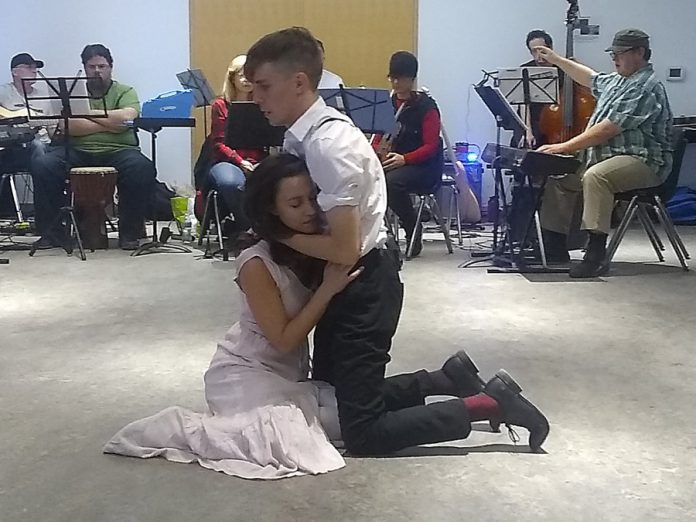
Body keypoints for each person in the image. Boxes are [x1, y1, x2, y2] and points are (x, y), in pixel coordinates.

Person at [104, 154, 546, 478]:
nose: (310, 210)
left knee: (350, 410)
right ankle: (481, 403)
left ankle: (444, 380)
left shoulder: (304, 244)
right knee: (346, 429)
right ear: (272, 211)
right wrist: (330, 289)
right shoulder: (255, 263)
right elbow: (283, 339)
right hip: (246, 378)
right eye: (294, 204)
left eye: (311, 199)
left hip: (286, 374)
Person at [245, 27, 549, 456]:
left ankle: (486, 403)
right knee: (333, 401)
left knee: (362, 433)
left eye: (263, 86)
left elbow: (345, 250)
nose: (256, 97)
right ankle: (447, 378)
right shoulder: (304, 134)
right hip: (349, 277)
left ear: (298, 83)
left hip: (366, 280)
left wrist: (275, 231)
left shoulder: (328, 145)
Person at [535, 29, 673, 277]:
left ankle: (596, 253)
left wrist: (564, 146)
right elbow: (590, 78)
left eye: (620, 53)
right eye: (614, 53)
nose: (614, 58)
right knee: (560, 176)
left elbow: (607, 129)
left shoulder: (645, 86)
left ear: (639, 52)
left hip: (644, 162)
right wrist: (556, 59)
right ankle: (554, 247)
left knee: (597, 176)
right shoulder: (619, 80)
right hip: (610, 157)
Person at [30, 44, 156, 250]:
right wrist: (110, 120)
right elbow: (69, 126)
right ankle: (52, 234)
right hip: (78, 150)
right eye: (91, 67)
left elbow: (126, 118)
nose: (97, 71)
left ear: (110, 67)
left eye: (102, 66)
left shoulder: (126, 91)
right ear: (84, 68)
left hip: (120, 151)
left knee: (141, 168)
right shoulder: (72, 92)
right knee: (43, 165)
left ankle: (130, 233)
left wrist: (86, 114)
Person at [376, 51, 444, 258]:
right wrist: (376, 151)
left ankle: (412, 225)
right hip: (395, 163)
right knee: (370, 178)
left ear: (412, 79)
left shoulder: (427, 107)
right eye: (392, 77)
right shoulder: (387, 104)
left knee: (390, 183)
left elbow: (431, 146)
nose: (395, 82)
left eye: (400, 78)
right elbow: (379, 135)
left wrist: (404, 159)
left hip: (423, 167)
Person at [205, 55, 265, 234]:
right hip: (227, 161)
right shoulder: (220, 105)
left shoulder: (263, 104)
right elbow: (218, 144)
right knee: (232, 183)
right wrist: (240, 162)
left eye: (251, 75)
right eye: (241, 75)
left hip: (258, 159)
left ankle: (273, 233)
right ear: (232, 79)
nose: (247, 79)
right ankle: (249, 230)